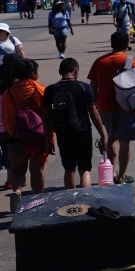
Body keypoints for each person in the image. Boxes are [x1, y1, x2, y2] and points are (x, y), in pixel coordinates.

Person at [88, 31, 135, 184]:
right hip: (128, 106)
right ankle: (122, 176)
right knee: (125, 141)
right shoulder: (131, 61)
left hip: (105, 106)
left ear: (111, 44)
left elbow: (93, 86)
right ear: (127, 43)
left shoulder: (99, 62)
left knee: (110, 138)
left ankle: (110, 173)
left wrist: (95, 105)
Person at [42, 57, 107, 188]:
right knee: (84, 169)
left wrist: (48, 140)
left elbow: (46, 117)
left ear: (60, 71)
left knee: (69, 168)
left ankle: (71, 202)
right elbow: (94, 113)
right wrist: (103, 134)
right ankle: (85, 200)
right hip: (82, 131)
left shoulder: (50, 90)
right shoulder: (84, 88)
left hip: (62, 132)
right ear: (75, 71)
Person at [2, 59, 51, 200]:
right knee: (37, 171)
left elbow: (6, 118)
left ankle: (17, 191)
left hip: (15, 138)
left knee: (17, 171)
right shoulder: (40, 90)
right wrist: (50, 138)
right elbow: (47, 115)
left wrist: (12, 133)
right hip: (38, 139)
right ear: (32, 73)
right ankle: (38, 199)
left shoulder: (8, 93)